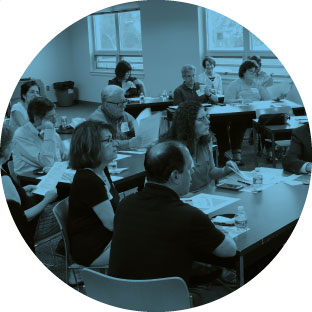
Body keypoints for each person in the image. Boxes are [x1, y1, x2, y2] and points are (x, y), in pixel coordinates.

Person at [108, 141, 237, 306]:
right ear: (175, 176)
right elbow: (230, 250)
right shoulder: (189, 216)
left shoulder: (125, 205)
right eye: (190, 169)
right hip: (167, 302)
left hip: (119, 298)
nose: (191, 175)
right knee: (235, 281)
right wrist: (215, 228)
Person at [67, 120, 120, 266]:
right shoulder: (88, 180)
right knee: (152, 241)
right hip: (93, 249)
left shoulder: (102, 170)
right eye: (108, 140)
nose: (116, 144)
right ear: (91, 146)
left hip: (105, 238)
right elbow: (112, 224)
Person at [1, 125, 58, 252]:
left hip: (28, 208)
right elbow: (21, 218)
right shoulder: (3, 179)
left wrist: (22, 190)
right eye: (12, 143)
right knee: (73, 205)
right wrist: (47, 200)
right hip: (31, 226)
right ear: (5, 148)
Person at [167, 100, 239, 191]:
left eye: (207, 117)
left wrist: (225, 170)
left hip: (205, 194)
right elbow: (173, 189)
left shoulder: (205, 140)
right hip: (188, 197)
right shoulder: (175, 149)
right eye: (201, 119)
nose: (208, 122)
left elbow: (211, 171)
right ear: (188, 123)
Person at [222, 60, 271, 164]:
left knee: (269, 119)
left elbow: (267, 99)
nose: (253, 74)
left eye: (254, 72)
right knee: (238, 122)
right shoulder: (235, 84)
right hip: (241, 114)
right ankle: (236, 154)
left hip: (256, 113)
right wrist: (239, 101)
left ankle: (270, 151)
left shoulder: (257, 84)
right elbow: (227, 100)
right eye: (251, 72)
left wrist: (264, 87)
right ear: (243, 72)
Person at [12, 97, 68, 175]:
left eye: (55, 116)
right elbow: (47, 162)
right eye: (51, 117)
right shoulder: (21, 136)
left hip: (52, 174)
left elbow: (62, 155)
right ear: (36, 119)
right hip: (32, 180)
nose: (55, 121)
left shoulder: (50, 131)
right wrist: (49, 130)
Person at [89, 85, 143, 150]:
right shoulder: (96, 121)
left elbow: (138, 130)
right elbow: (104, 144)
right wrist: (128, 143)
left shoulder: (124, 115)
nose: (123, 106)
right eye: (119, 103)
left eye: (124, 101)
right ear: (106, 105)